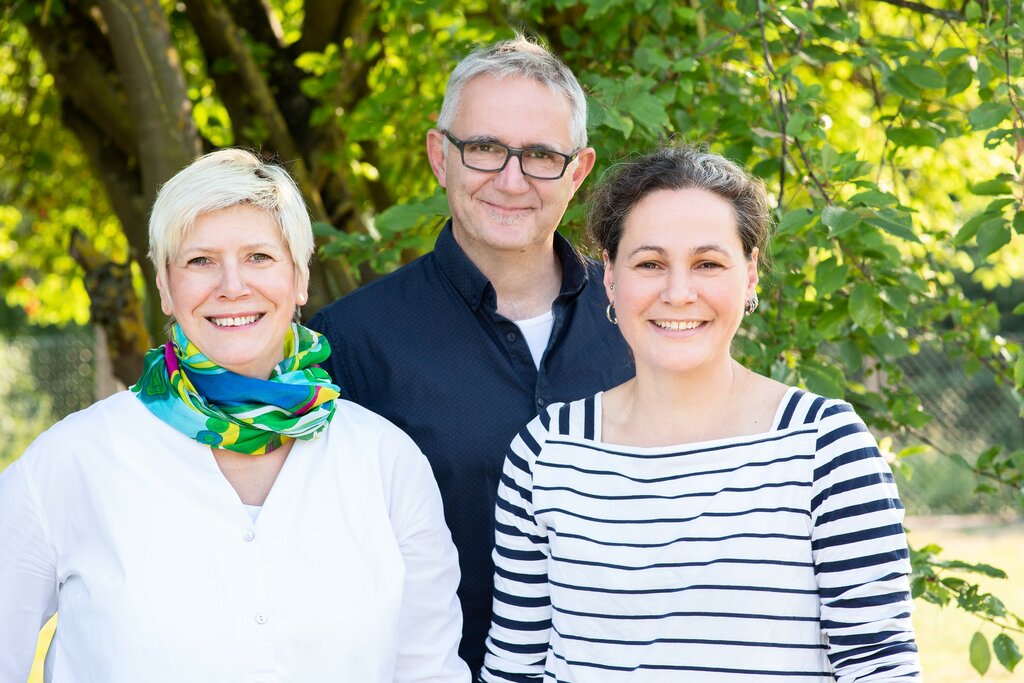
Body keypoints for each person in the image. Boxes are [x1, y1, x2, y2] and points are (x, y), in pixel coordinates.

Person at [0, 149, 469, 683]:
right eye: (200, 261)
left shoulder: (386, 462)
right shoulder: (71, 462)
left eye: (259, 257)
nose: (232, 286)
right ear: (165, 287)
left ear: (300, 278)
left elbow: (428, 672)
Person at [481, 145, 922, 681]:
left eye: (708, 264)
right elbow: (515, 666)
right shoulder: (546, 450)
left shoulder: (825, 448)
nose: (678, 292)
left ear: (750, 275)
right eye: (650, 264)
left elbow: (881, 669)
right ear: (611, 278)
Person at [308, 37, 633, 673]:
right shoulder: (349, 344)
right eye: (484, 148)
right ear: (440, 156)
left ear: (578, 171)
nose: (511, 180)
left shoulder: (640, 323)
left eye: (541, 155)